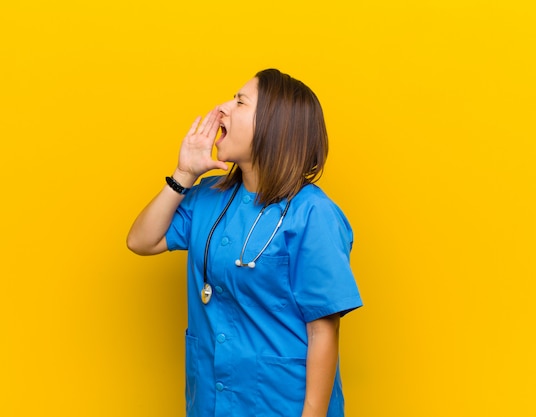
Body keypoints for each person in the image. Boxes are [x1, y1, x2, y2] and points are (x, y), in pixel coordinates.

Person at [127, 68, 362, 417]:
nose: (222, 108)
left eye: (239, 101)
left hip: (281, 404)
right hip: (211, 401)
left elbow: (323, 332)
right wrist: (184, 174)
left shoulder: (312, 213)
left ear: (274, 125)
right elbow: (141, 241)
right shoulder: (207, 197)